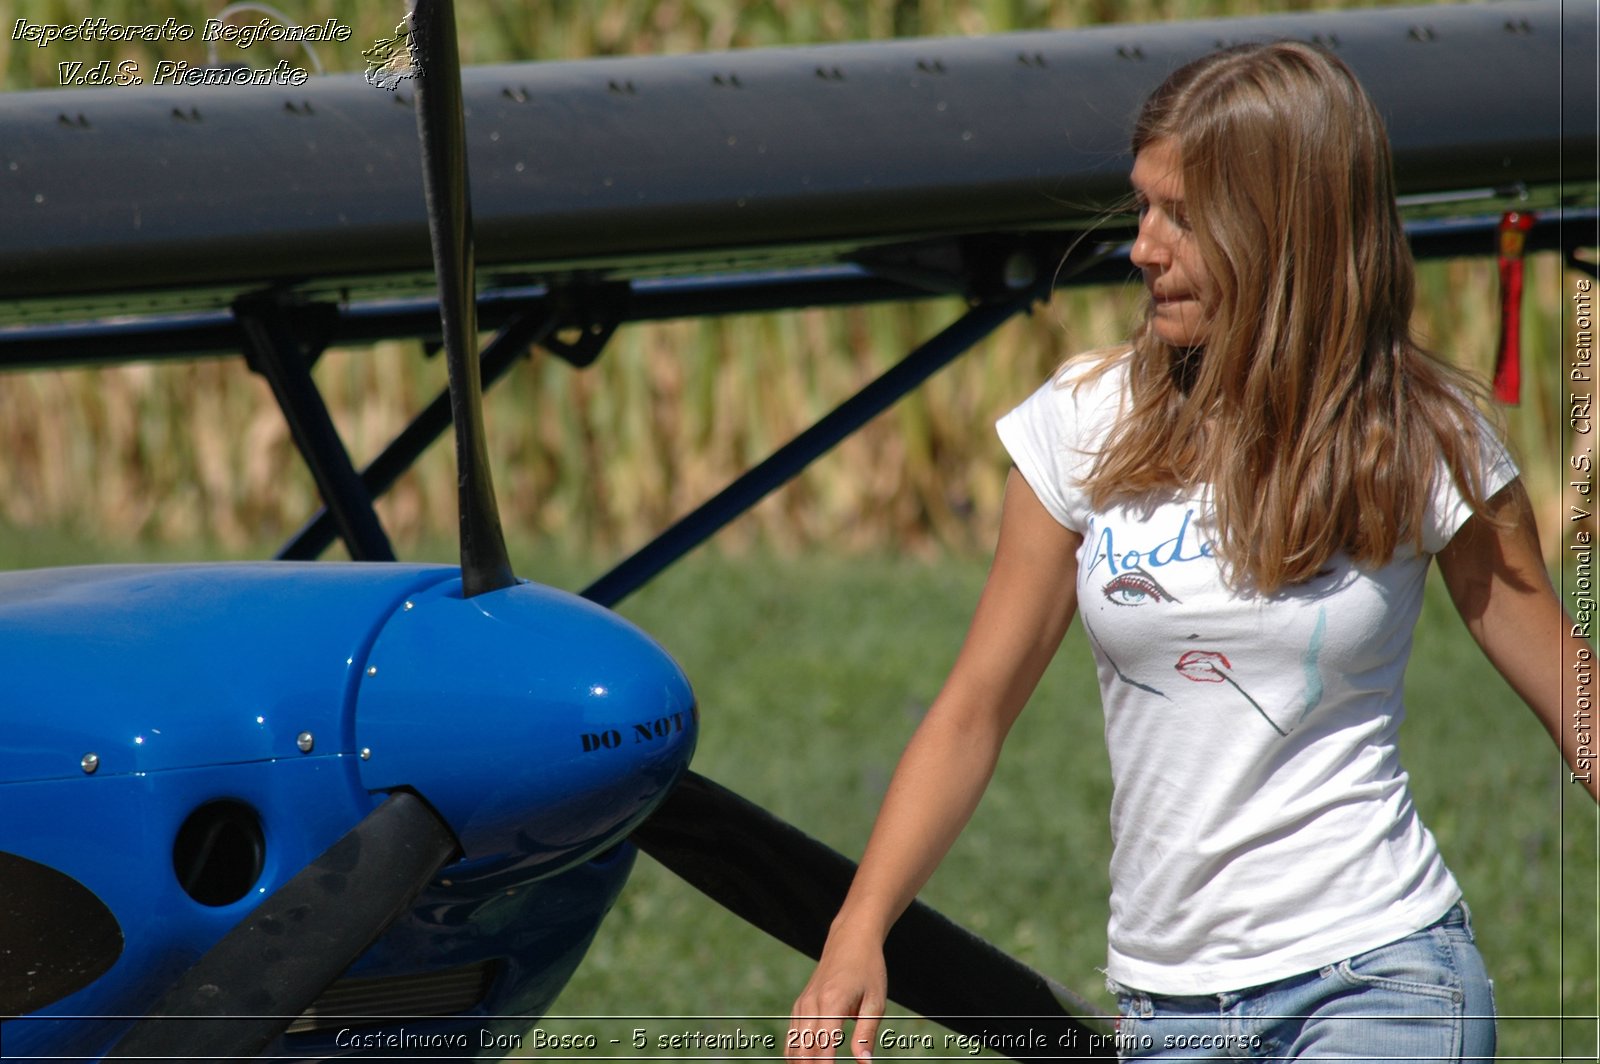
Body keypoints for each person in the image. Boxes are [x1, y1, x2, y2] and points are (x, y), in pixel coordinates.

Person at [787, 40, 1594, 1063]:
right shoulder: (1080, 423)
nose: (1141, 247)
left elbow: (1578, 700)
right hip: (1167, 1014)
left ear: (1282, 229)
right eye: (1141, 207)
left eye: (1182, 216)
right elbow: (970, 711)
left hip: (1379, 978)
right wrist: (858, 927)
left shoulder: (1416, 436)